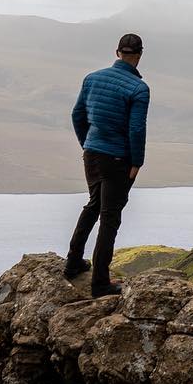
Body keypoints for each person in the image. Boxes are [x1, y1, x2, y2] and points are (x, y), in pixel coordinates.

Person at [65, 32, 150, 298]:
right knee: (109, 218)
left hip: (92, 153)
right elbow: (136, 129)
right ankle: (100, 283)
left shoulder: (92, 78)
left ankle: (72, 263)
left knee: (93, 205)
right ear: (138, 55)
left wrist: (87, 144)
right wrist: (137, 161)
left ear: (117, 53)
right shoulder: (138, 88)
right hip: (117, 158)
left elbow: (77, 115)